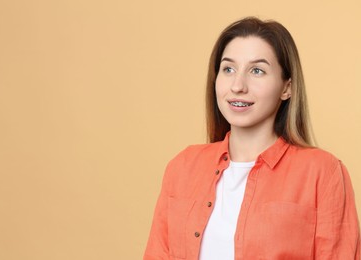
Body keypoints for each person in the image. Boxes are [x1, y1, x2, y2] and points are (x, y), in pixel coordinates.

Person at [143, 17, 360, 260]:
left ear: (287, 87)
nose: (238, 85)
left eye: (257, 70)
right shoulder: (182, 167)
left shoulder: (323, 172)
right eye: (228, 69)